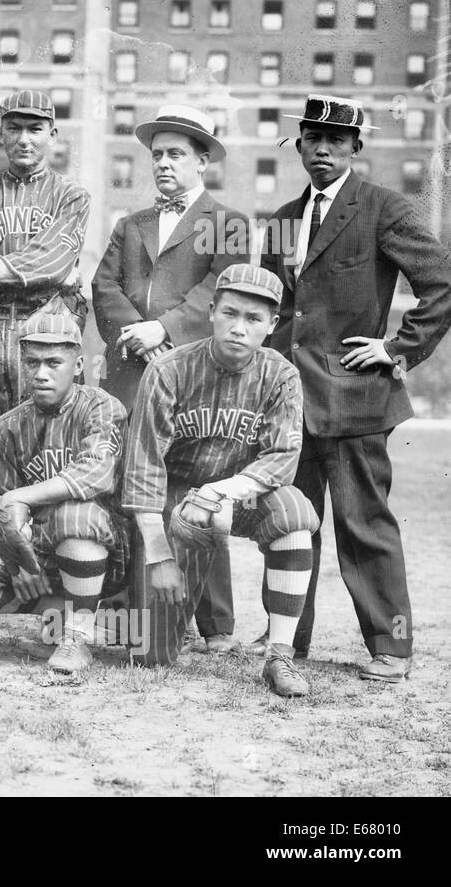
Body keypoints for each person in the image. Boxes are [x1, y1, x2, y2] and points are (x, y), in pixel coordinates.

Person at [258, 94, 451, 682]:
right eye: (312, 138)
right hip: (291, 403)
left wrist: (394, 349)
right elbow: (271, 307)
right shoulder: (285, 217)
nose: (322, 148)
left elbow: (441, 285)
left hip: (356, 399)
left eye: (336, 140)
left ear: (355, 148)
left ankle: (391, 647)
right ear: (299, 145)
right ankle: (287, 644)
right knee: (290, 523)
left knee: (364, 526)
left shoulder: (383, 209)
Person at [92, 104, 252, 655]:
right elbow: (104, 286)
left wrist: (162, 331)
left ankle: (216, 625)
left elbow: (220, 289)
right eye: (157, 154)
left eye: (176, 154)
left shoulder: (226, 223)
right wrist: (136, 331)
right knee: (134, 491)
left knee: (193, 492)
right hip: (132, 376)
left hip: (193, 379)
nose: (163, 163)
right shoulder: (130, 224)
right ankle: (145, 613)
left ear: (202, 161)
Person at [121, 265, 320, 697]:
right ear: (211, 312)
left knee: (294, 512)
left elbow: (282, 458)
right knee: (150, 652)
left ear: (272, 326)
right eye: (230, 313)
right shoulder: (168, 370)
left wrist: (222, 492)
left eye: (254, 319)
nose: (239, 328)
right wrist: (159, 556)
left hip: (235, 494)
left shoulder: (281, 374)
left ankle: (279, 654)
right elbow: (142, 468)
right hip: (177, 501)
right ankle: (141, 607)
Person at [0, 89, 90, 633]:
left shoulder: (72, 196)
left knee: (43, 454)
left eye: (37, 129)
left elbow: (52, 261)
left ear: (53, 135)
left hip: (42, 329)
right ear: (0, 134)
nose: (25, 139)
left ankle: (44, 593)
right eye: (15, 128)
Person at [0, 314, 128, 678]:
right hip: (42, 549)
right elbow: (1, 505)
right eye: (32, 362)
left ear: (76, 366)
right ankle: (56, 612)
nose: (41, 373)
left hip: (108, 550)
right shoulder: (9, 424)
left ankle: (77, 637)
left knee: (76, 517)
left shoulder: (101, 407)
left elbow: (97, 473)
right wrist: (17, 560)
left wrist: (24, 496)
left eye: (53, 362)